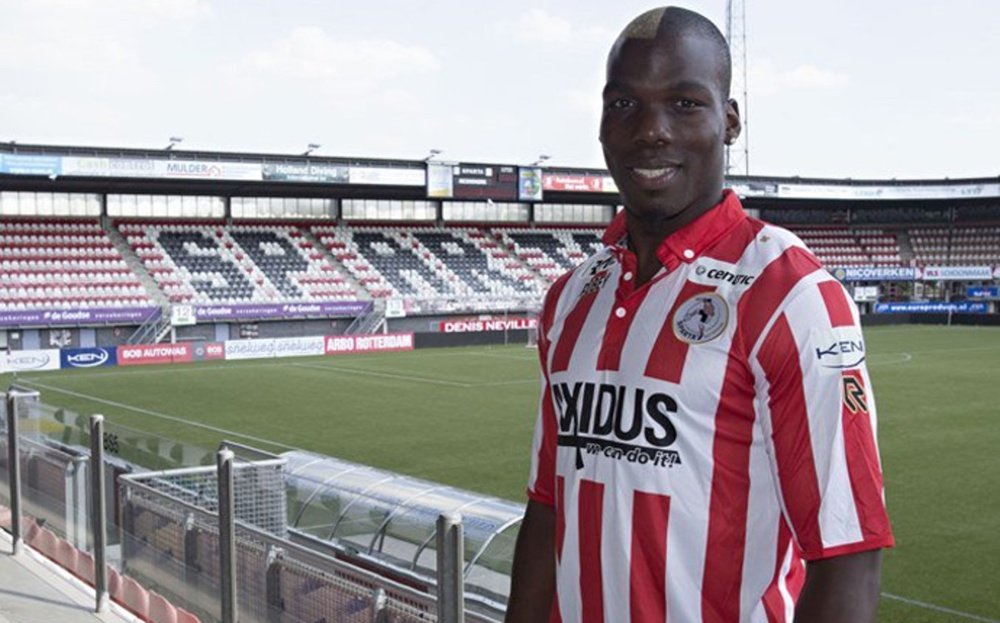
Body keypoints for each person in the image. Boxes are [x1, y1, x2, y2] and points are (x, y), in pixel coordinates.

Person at [505, 7, 894, 623]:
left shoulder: (789, 296)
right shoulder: (571, 297)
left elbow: (847, 553)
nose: (651, 130)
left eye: (684, 103)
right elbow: (548, 506)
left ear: (730, 120)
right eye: (625, 105)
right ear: (603, 123)